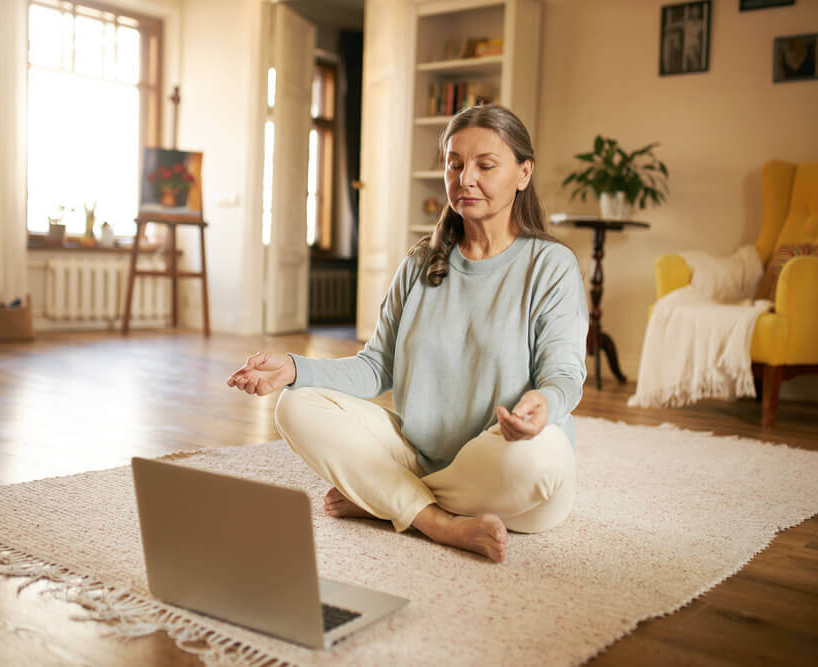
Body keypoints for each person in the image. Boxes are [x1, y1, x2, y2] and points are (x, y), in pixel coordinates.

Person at [227, 104, 588, 563]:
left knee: (543, 457)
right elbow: (376, 367)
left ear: (523, 172)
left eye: (485, 165)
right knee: (296, 405)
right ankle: (436, 522)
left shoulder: (550, 266)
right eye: (454, 164)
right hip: (420, 455)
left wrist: (545, 405)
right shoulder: (421, 262)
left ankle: (389, 501)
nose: (466, 179)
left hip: (506, 471)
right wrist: (293, 368)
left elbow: (563, 374)